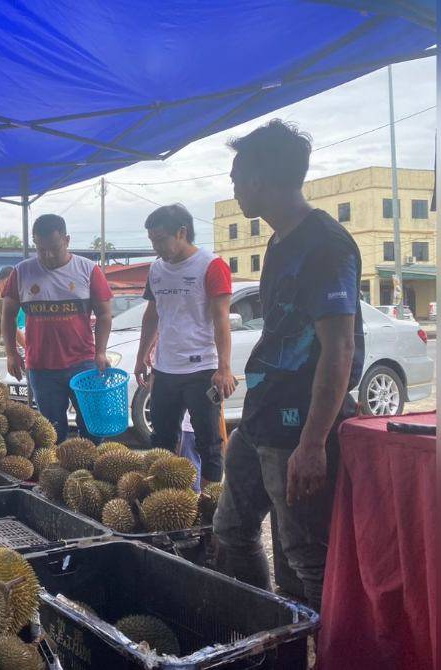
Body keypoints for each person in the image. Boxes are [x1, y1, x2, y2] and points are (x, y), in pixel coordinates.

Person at [213, 120, 364, 612]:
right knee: (231, 532)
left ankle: (334, 649)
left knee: (307, 557)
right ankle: (267, 637)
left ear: (260, 179)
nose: (234, 189)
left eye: (237, 177)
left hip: (298, 428)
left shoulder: (327, 243)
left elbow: (338, 348)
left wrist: (314, 442)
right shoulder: (280, 242)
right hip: (259, 418)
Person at [133, 204, 234, 488]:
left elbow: (221, 319)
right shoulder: (156, 269)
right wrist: (142, 357)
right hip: (165, 368)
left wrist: (224, 368)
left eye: (161, 239)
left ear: (182, 232)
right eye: (152, 240)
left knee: (209, 443)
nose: (156, 247)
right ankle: (164, 500)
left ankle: (210, 508)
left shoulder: (211, 265)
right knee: (161, 441)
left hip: (202, 368)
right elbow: (152, 315)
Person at [2, 214, 113, 443]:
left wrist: (100, 351)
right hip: (42, 367)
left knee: (92, 428)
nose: (48, 255)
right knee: (51, 433)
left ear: (67, 240)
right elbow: (8, 315)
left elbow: (104, 314)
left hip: (82, 363)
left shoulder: (88, 270)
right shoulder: (21, 272)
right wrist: (11, 353)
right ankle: (59, 477)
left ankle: (91, 475)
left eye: (54, 248)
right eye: (41, 249)